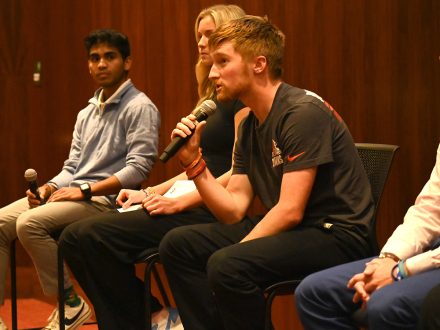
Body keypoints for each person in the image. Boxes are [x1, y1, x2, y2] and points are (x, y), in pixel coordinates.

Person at [157, 15, 375, 330]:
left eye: (223, 61)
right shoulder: (248, 123)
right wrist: (194, 163)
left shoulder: (300, 113)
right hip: (299, 230)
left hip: (337, 235)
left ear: (258, 64)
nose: (213, 72)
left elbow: (289, 210)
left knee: (228, 264)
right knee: (179, 244)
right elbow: (233, 209)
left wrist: (237, 250)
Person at [58, 5, 249, 330]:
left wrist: (177, 201)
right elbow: (196, 165)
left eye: (210, 35)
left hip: (211, 204)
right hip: (192, 192)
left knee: (90, 235)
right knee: (73, 239)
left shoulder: (243, 98)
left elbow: (237, 167)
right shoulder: (212, 95)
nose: (202, 43)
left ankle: (150, 317)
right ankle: (151, 316)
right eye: (198, 36)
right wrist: (149, 191)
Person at [0, 29, 160, 330]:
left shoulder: (141, 107)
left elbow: (139, 169)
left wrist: (84, 191)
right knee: (0, 222)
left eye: (109, 57)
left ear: (127, 62)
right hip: (75, 195)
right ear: (88, 64)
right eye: (94, 58)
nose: (101, 64)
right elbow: (72, 166)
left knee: (29, 223)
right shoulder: (87, 112)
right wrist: (50, 187)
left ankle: (71, 303)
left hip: (108, 202)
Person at [295, 143, 440, 330]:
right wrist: (389, 259)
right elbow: (430, 210)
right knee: (314, 293)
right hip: (430, 251)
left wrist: (401, 271)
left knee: (386, 305)